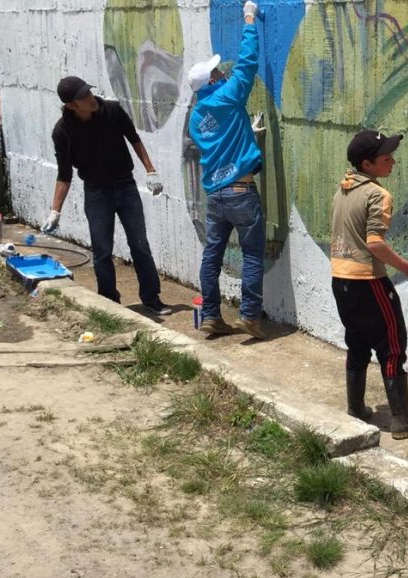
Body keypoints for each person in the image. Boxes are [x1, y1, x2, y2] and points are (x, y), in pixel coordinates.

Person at [331, 129, 408, 440]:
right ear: (367, 164)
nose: (393, 162)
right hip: (368, 281)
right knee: (392, 346)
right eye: (386, 158)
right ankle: (402, 420)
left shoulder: (343, 190)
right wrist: (407, 267)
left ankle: (357, 407)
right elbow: (375, 243)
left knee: (358, 342)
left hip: (341, 279)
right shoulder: (378, 195)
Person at [43, 76, 171, 315]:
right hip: (96, 193)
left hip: (126, 186)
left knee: (140, 244)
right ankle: (110, 302)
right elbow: (64, 174)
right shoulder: (63, 132)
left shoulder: (111, 111)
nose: (91, 99)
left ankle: (151, 298)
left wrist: (151, 170)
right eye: (83, 97)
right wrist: (55, 211)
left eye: (89, 92)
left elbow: (135, 140)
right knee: (102, 250)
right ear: (72, 105)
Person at [186, 0, 267, 339]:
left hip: (215, 196)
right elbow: (247, 63)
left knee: (212, 258)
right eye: (217, 72)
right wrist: (249, 20)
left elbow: (220, 137)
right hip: (241, 191)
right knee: (251, 256)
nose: (222, 72)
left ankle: (211, 316)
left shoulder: (196, 117)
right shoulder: (228, 96)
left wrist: (246, 133)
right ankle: (249, 315)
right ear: (212, 80)